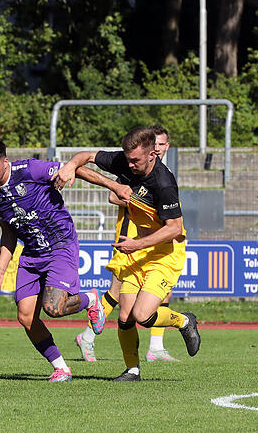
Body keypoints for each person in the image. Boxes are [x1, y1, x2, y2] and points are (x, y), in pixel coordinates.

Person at [53, 126, 201, 382]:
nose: (130, 164)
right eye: (128, 159)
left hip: (165, 253)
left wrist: (137, 245)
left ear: (152, 155)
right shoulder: (124, 160)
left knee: (143, 316)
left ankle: (184, 322)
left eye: (136, 160)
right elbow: (85, 156)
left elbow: (174, 228)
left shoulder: (163, 183)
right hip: (138, 249)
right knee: (124, 316)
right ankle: (132, 370)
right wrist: (69, 166)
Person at [0, 138, 131, 382]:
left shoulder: (29, 170)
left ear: (4, 161)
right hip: (31, 253)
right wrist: (0, 270)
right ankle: (61, 368)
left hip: (60, 243)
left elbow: (75, 170)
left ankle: (91, 299)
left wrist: (114, 186)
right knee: (26, 316)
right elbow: (8, 231)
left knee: (54, 308)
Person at [74, 124, 179, 363]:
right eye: (157, 144)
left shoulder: (163, 174)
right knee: (118, 294)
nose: (160, 148)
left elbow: (171, 220)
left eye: (163, 145)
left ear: (163, 148)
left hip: (152, 242)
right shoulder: (133, 167)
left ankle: (156, 346)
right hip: (128, 235)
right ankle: (89, 335)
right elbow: (115, 194)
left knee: (161, 295)